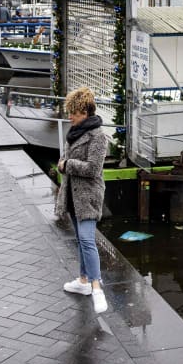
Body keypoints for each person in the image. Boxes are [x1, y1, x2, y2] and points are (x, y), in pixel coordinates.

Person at [53, 88, 110, 314]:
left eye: (74, 113)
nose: (70, 117)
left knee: (87, 240)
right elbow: (66, 158)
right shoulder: (75, 132)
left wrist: (67, 166)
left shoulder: (98, 136)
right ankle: (84, 281)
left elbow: (94, 169)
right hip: (72, 194)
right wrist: (63, 162)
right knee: (80, 238)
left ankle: (97, 288)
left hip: (87, 195)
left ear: (85, 112)